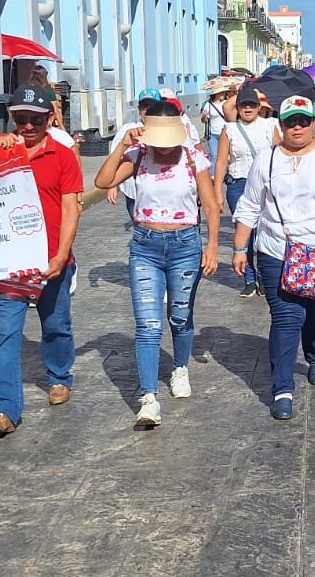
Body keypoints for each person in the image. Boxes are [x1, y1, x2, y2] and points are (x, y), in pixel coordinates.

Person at [231, 95, 315, 420]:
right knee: (287, 318)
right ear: (282, 124)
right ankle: (282, 388)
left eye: (304, 120)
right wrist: (239, 247)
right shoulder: (267, 159)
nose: (298, 127)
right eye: (291, 121)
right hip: (276, 251)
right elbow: (249, 205)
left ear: (313, 123)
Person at [94, 101, 220, 426]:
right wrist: (123, 145)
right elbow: (102, 181)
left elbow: (210, 205)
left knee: (179, 317)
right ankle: (148, 397)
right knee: (148, 326)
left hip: (185, 246)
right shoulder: (138, 156)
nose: (163, 148)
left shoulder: (194, 158)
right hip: (145, 247)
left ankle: (180, 368)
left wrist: (212, 246)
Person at [0, 84, 83, 435]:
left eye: (35, 120)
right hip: (10, 264)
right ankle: (4, 409)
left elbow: (71, 209)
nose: (27, 127)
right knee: (7, 331)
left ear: (49, 119)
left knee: (55, 327)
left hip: (52, 259)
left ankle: (59, 376)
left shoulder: (63, 155)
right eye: (20, 119)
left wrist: (62, 254)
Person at [214, 86, 280, 297]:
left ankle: (266, 274)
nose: (248, 108)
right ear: (238, 107)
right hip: (238, 185)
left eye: (252, 104)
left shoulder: (270, 126)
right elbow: (222, 161)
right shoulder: (230, 129)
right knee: (245, 232)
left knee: (266, 230)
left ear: (259, 107)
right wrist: (217, 191)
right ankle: (250, 278)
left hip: (266, 186)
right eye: (244, 104)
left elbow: (279, 156)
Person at [108, 92, 160, 221]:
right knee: (139, 225)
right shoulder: (128, 129)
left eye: (151, 106)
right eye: (144, 106)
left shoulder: (166, 130)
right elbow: (115, 156)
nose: (147, 110)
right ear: (139, 109)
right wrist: (112, 185)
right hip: (132, 189)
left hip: (157, 190)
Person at [200, 78, 234, 174]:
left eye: (224, 93)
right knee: (214, 155)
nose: (224, 94)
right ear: (217, 94)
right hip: (213, 134)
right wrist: (204, 117)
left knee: (228, 155)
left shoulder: (227, 103)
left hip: (226, 133)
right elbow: (203, 120)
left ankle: (227, 173)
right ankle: (213, 176)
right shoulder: (208, 104)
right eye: (222, 93)